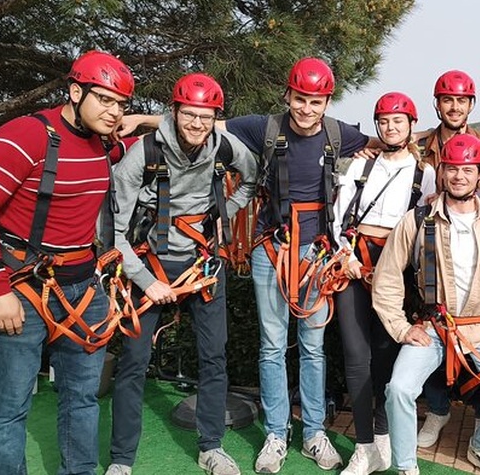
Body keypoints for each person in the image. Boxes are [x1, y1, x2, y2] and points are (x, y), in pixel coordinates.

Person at [117, 57, 376, 473]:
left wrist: (438, 137)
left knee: (313, 348)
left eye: (316, 101)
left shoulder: (336, 133)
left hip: (317, 253)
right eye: (300, 99)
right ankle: (276, 434)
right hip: (271, 248)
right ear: (287, 95)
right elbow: (205, 121)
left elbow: (383, 140)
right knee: (272, 347)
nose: (306, 108)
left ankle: (314, 432)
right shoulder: (264, 128)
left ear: (327, 103)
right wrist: (142, 120)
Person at [0, 51, 135, 475]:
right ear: (75, 91)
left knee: (83, 399)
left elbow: (175, 128)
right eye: (105, 99)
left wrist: (142, 120)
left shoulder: (103, 142)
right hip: (22, 288)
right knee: (9, 407)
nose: (114, 112)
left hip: (83, 288)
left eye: (122, 105)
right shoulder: (25, 135)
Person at [105, 73, 257, 475]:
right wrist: (145, 281)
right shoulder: (144, 152)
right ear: (173, 112)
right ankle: (121, 459)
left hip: (202, 263)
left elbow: (252, 177)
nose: (197, 124)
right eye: (189, 114)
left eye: (205, 117)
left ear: (215, 118)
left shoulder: (225, 145)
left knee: (214, 357)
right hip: (151, 263)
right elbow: (113, 232)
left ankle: (211, 447)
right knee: (133, 361)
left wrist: (224, 211)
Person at [372, 134, 480, 475]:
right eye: (452, 168)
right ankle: (406, 467)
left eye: (468, 170)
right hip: (433, 327)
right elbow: (387, 277)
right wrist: (401, 328)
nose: (459, 176)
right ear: (441, 171)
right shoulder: (418, 219)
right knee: (399, 390)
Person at [331, 92, 436, 475]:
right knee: (356, 356)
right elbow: (339, 218)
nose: (391, 128)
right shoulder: (361, 166)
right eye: (384, 121)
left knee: (386, 356)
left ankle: (382, 437)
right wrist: (347, 256)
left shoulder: (425, 174)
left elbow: (427, 228)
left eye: (398, 121)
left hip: (397, 272)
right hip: (356, 265)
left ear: (411, 126)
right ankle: (364, 447)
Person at [416, 69, 480, 449]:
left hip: (476, 248)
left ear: (471, 104)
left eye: (461, 100)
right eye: (447, 100)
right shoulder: (419, 145)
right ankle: (437, 409)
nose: (454, 107)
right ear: (437, 104)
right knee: (432, 327)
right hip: (429, 246)